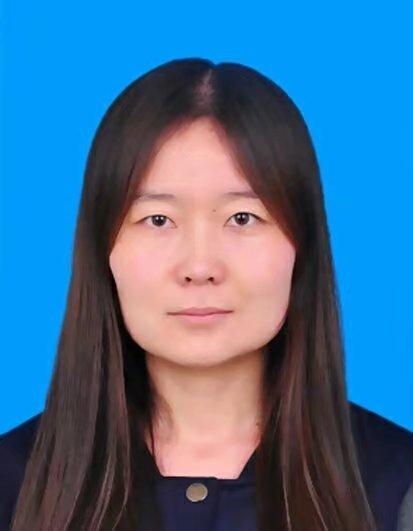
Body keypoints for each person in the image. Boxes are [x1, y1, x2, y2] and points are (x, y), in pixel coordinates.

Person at [0, 58, 412, 531]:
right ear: (103, 249)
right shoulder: (13, 486)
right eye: (158, 220)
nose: (199, 268)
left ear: (301, 245)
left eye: (242, 218)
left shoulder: (398, 486)